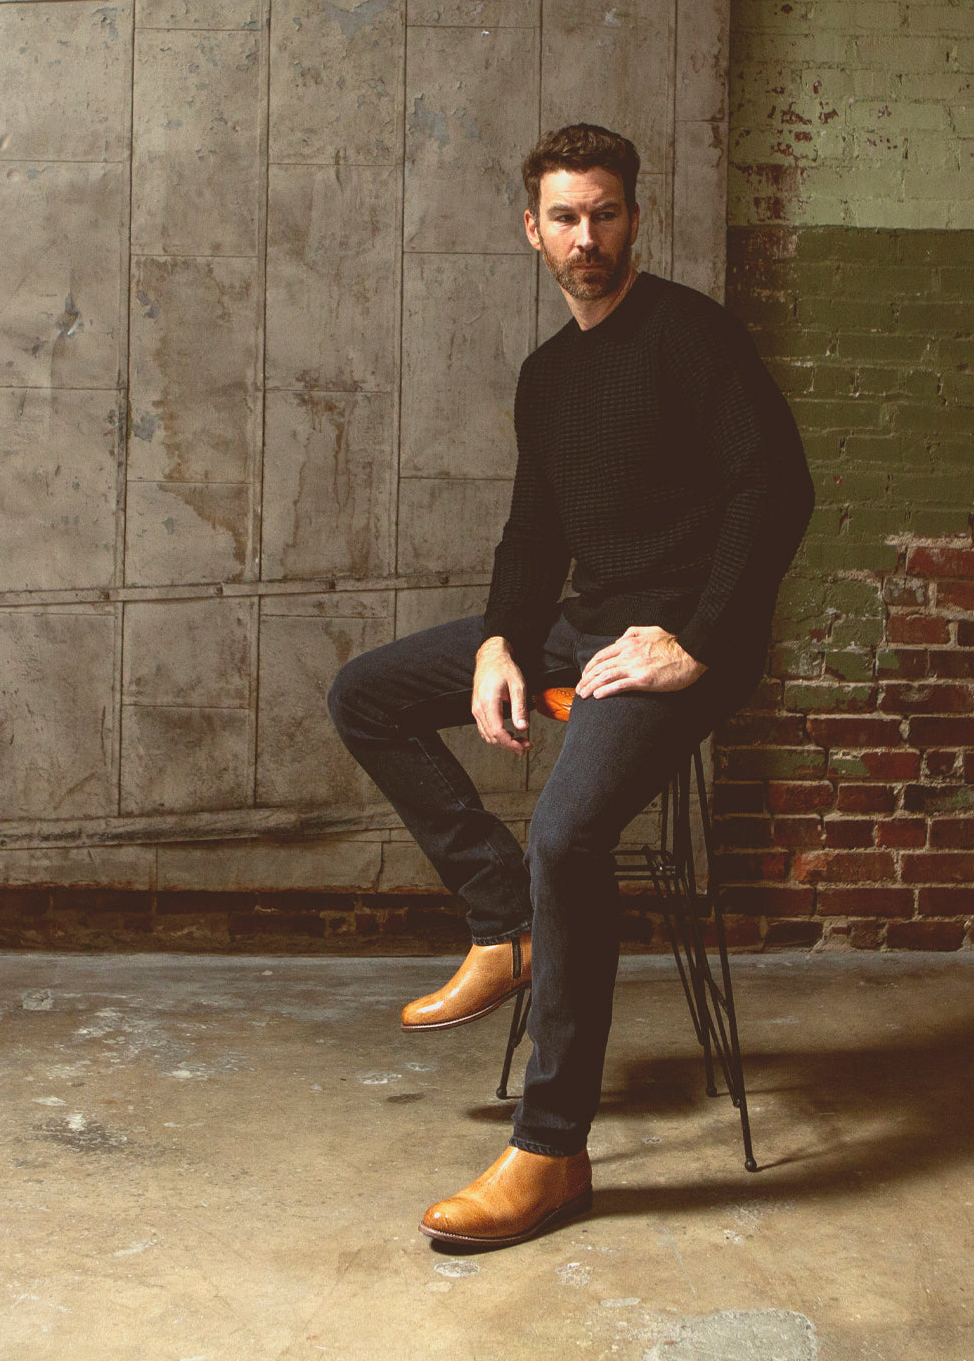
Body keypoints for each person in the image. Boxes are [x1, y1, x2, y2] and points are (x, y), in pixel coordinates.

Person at [328, 124, 814, 1249]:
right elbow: (534, 530)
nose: (584, 236)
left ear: (634, 218)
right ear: (531, 229)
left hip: (680, 645)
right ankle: (508, 923)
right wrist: (503, 638)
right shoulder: (549, 375)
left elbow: (774, 491)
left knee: (567, 838)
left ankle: (552, 1152)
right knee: (368, 693)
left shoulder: (693, 336)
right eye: (563, 216)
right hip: (581, 628)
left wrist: (694, 641)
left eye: (604, 212)